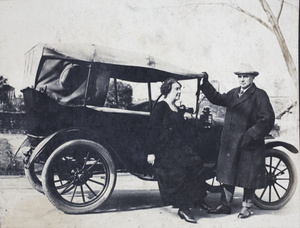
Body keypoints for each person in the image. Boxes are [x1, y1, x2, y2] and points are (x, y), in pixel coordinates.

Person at [200, 64, 275, 218]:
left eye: (245, 76)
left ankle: (246, 207)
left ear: (253, 77)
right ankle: (225, 205)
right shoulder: (233, 93)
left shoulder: (259, 95)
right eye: (240, 76)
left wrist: (251, 135)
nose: (242, 79)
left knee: (248, 176)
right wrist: (205, 84)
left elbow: (267, 119)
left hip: (249, 143)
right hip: (230, 143)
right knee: (227, 173)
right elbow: (217, 98)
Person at [147, 78, 210, 224]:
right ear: (167, 90)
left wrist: (186, 118)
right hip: (164, 151)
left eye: (179, 89)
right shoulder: (161, 107)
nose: (179, 92)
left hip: (178, 148)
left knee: (196, 162)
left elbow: (181, 132)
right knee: (181, 169)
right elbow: (152, 131)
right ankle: (183, 207)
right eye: (176, 89)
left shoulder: (178, 108)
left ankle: (198, 199)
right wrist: (151, 152)